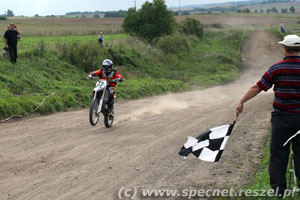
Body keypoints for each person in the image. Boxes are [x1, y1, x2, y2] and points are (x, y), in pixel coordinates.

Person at [236, 35, 300, 195]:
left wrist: (242, 101)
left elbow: (258, 87)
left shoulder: (276, 68)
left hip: (281, 119)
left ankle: (279, 192)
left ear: (284, 48)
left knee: (278, 155)